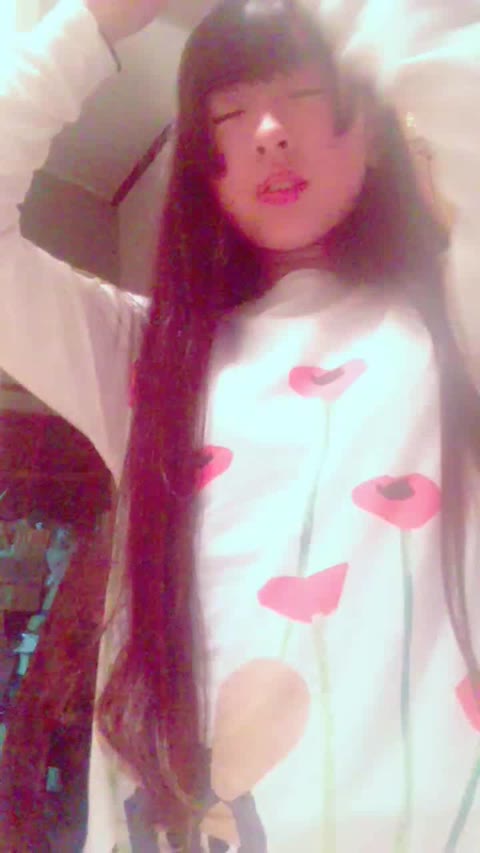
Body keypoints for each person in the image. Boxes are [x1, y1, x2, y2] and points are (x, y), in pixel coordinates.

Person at [0, 0, 479, 849]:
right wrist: (90, 25)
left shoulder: (455, 317)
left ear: (372, 129)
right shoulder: (149, 357)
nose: (267, 131)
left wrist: (350, 17)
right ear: (202, 169)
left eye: (304, 94)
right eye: (227, 113)